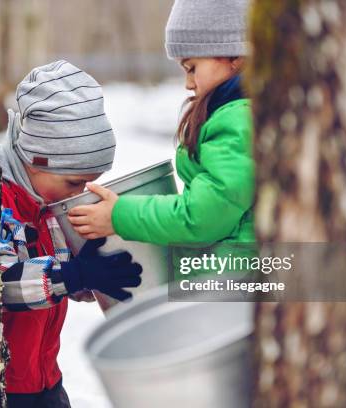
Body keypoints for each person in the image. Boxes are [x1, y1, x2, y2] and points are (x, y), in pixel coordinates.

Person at [67, 0, 255, 279]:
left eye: (192, 68)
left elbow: (202, 218)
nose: (188, 84)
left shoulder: (238, 121)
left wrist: (118, 216)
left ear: (235, 56)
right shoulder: (237, 115)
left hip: (235, 286)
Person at [0, 60, 142, 408]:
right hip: (5, 386)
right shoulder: (2, 202)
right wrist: (71, 275)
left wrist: (86, 278)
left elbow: (59, 270)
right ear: (37, 158)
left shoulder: (47, 203)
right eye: (73, 182)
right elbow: (3, 284)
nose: (78, 192)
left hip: (46, 378)